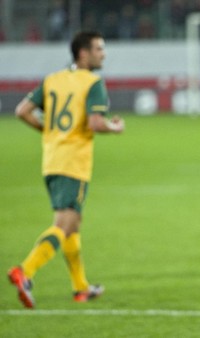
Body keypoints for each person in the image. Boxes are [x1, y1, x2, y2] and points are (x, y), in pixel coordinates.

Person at [8, 31, 125, 309]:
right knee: (64, 225)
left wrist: (47, 131)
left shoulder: (53, 80)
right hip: (74, 162)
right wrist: (115, 127)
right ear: (83, 53)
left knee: (72, 224)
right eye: (98, 49)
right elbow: (96, 123)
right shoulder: (93, 82)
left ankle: (81, 287)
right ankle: (25, 271)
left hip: (52, 160)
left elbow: (22, 110)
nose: (103, 54)